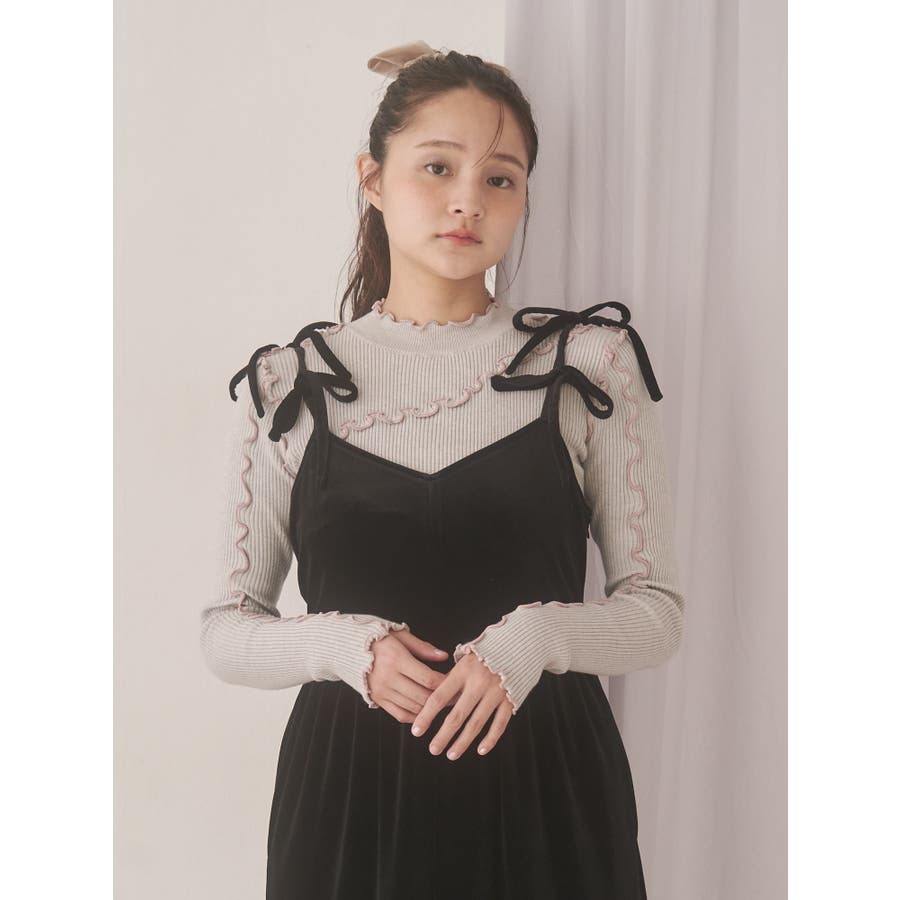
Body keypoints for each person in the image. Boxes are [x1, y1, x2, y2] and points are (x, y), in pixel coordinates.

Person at [201, 40, 685, 900]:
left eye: (501, 178)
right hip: (349, 807)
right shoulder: (290, 383)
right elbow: (226, 631)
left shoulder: (587, 364)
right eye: (437, 167)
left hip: (547, 798)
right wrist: (346, 647)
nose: (469, 200)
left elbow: (657, 614)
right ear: (372, 179)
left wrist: (534, 639)